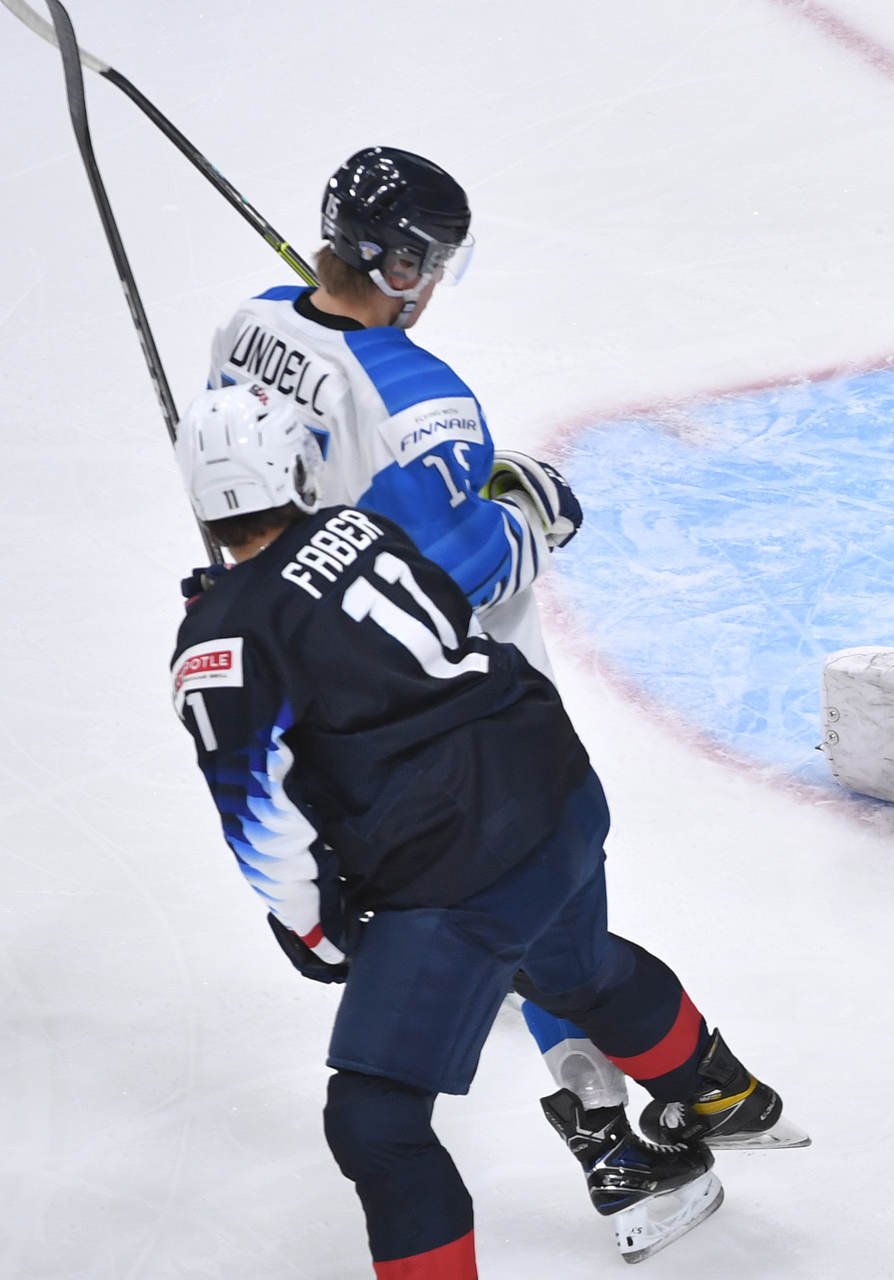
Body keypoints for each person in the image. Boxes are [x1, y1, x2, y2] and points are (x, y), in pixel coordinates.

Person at [203, 146, 762, 1220]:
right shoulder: (419, 394)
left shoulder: (249, 325)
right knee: (551, 919)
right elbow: (463, 569)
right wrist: (535, 505)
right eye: (435, 262)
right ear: (404, 262)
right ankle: (617, 1151)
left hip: (319, 692)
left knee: (447, 911)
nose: (439, 283)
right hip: (455, 698)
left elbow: (245, 488)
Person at [167, 384, 803, 1273]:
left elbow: (261, 822)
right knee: (574, 970)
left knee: (375, 1120)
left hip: (458, 871)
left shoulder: (221, 644)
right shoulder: (365, 532)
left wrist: (320, 930)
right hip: (561, 795)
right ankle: (717, 1090)